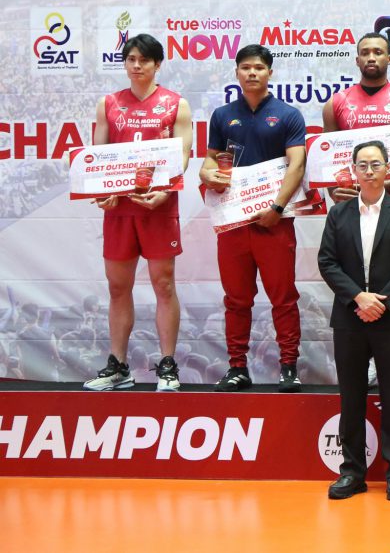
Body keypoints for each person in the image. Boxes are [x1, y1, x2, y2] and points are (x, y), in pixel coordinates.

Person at [85, 34, 193, 392]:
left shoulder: (175, 104)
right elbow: (99, 158)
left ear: (157, 64)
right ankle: (118, 366)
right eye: (131, 59)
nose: (136, 65)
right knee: (118, 287)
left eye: (144, 59)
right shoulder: (109, 104)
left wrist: (165, 191)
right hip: (120, 210)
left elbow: (182, 156)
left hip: (158, 207)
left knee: (163, 284)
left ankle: (168, 365)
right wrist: (102, 192)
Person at [318, 140, 390, 501]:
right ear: (353, 170)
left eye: (375, 164)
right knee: (351, 397)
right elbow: (327, 262)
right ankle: (352, 471)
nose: (368, 171)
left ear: (387, 168)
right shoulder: (339, 213)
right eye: (362, 165)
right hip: (349, 317)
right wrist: (358, 298)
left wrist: (381, 302)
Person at [199, 44, 307, 393]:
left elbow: (297, 164)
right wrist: (207, 173)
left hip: (274, 222)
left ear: (269, 72)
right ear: (237, 72)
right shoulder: (222, 115)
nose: (252, 73)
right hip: (234, 223)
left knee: (283, 297)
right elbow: (209, 161)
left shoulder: (288, 115)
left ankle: (288, 367)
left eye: (259, 67)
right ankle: (237, 367)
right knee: (236, 299)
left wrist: (277, 208)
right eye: (245, 67)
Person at [323, 32, 390, 393]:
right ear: (356, 59)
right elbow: (329, 161)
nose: (371, 57)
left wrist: (384, 178)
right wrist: (334, 189)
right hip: (354, 209)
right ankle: (366, 364)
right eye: (365, 52)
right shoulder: (337, 103)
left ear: (389, 58)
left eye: (378, 52)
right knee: (358, 278)